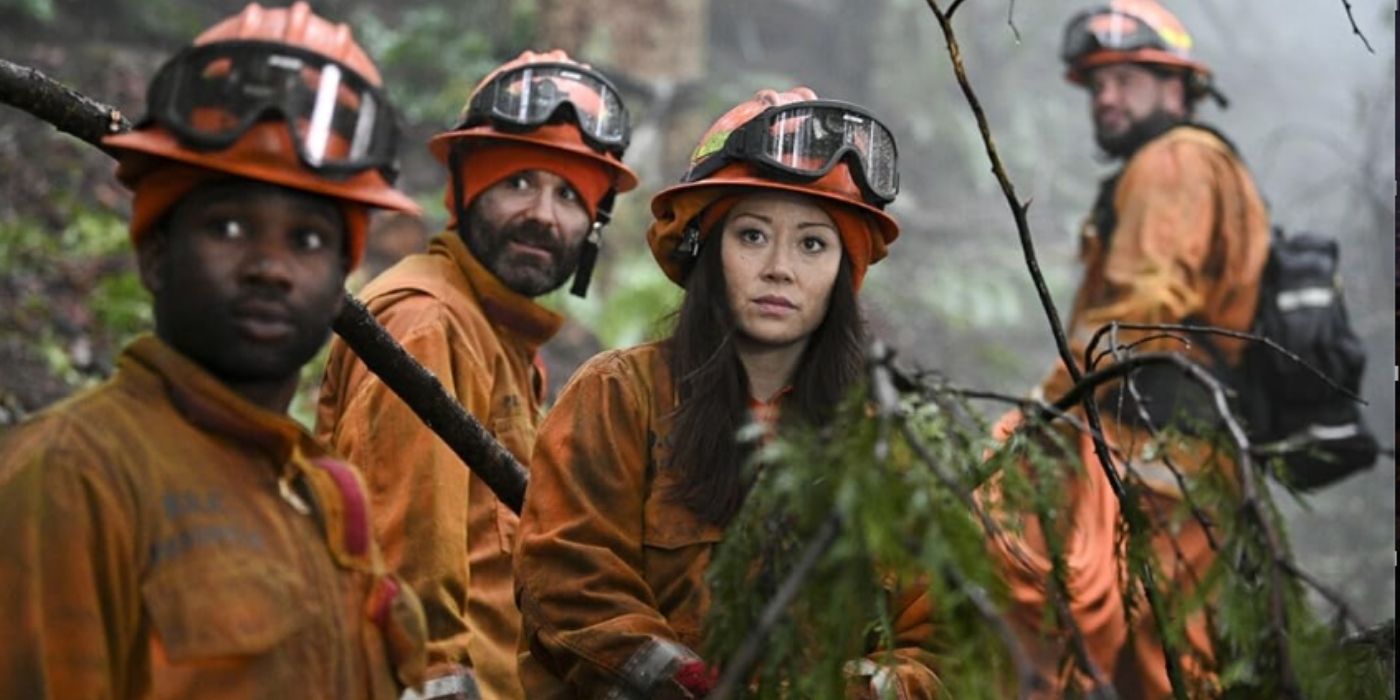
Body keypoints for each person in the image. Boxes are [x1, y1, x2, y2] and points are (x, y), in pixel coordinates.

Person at [0, 3, 428, 697]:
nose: (271, 265)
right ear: (156, 254)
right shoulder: (68, 480)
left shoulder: (321, 493)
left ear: (340, 282)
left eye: (309, 239)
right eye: (229, 226)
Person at [513, 87, 941, 698]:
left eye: (813, 243)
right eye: (752, 236)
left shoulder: (884, 447)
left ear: (843, 275)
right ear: (705, 252)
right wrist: (683, 681)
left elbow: (939, 641)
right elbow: (570, 581)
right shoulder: (618, 398)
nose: (780, 268)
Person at [315, 50, 638, 699]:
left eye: (571, 196)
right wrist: (431, 676)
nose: (545, 214)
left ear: (593, 226)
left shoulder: (500, 338)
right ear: (463, 191)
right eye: (519, 182)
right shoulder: (428, 325)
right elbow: (400, 557)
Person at [1039, 1, 1272, 694]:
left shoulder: (1174, 160)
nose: (1105, 97)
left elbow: (1137, 314)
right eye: (1096, 82)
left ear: (1176, 86)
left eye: (1126, 78)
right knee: (1163, 648)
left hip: (1151, 446)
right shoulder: (1180, 163)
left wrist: (1041, 412)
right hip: (1165, 447)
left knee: (1105, 631)